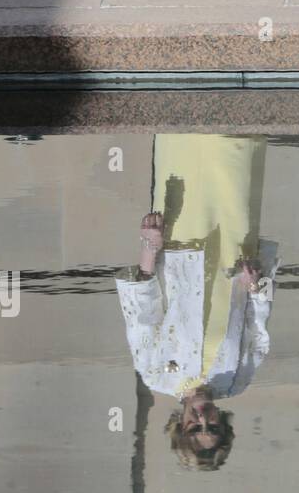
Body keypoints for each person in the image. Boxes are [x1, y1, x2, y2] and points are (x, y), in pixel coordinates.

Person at [116, 134, 279, 473]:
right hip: (231, 245)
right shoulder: (237, 379)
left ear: (180, 425)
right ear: (225, 425)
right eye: (213, 427)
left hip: (180, 242)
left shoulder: (155, 376)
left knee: (186, 150)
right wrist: (255, 285)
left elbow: (141, 310)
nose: (204, 419)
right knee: (234, 156)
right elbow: (257, 324)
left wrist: (150, 245)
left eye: (195, 427)